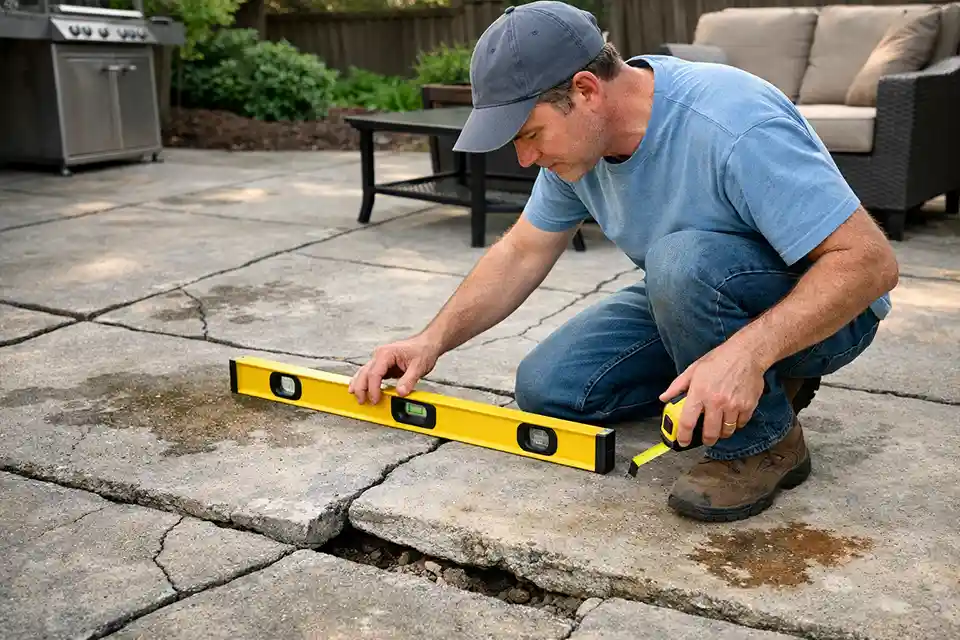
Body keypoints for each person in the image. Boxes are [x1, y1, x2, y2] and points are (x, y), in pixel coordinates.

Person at [348, 0, 899, 521]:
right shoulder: (582, 150)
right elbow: (521, 251)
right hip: (693, 290)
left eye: (531, 134)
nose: (524, 157)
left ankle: (763, 441)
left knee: (680, 259)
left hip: (831, 311)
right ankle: (729, 375)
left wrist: (747, 355)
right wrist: (431, 340)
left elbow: (869, 264)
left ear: (585, 90)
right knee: (550, 390)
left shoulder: (733, 123)